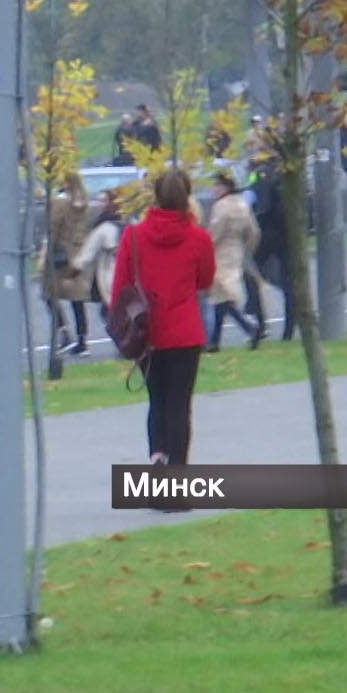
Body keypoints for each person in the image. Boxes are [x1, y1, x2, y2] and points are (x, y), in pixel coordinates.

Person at [110, 169, 216, 467]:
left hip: (148, 333)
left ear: (155, 197)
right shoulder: (199, 237)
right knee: (179, 407)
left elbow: (121, 287)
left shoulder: (133, 236)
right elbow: (205, 280)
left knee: (157, 402)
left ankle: (157, 459)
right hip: (185, 333)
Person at [205, 171, 264, 352]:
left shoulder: (221, 207)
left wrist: (205, 248)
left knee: (223, 294)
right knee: (221, 295)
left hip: (220, 253)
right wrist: (247, 249)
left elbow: (215, 232)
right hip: (237, 251)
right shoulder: (242, 204)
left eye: (217, 185)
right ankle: (215, 341)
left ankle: (249, 327)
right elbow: (253, 231)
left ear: (225, 187)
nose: (214, 189)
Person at [44, 173, 95, 355]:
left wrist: (47, 252)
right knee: (77, 299)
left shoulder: (60, 203)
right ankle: (82, 340)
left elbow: (54, 229)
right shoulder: (84, 203)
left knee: (49, 294)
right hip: (79, 252)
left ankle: (63, 331)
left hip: (61, 254)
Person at [249, 160, 294, 342]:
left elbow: (259, 204)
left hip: (268, 234)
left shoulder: (261, 173)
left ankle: (259, 321)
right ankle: (288, 330)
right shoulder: (288, 172)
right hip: (287, 234)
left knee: (251, 274)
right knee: (289, 285)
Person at [72, 190, 125, 325]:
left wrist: (73, 267)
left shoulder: (103, 227)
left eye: (103, 200)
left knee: (109, 314)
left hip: (109, 274)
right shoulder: (128, 222)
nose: (100, 204)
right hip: (128, 274)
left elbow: (87, 255)